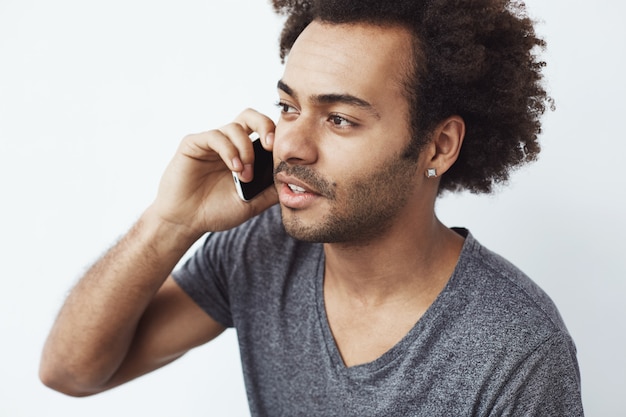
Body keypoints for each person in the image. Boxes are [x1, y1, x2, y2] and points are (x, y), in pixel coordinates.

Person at [40, 0, 584, 415]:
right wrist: (171, 223)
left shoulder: (518, 351)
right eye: (288, 106)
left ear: (438, 146)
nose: (292, 145)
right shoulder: (260, 247)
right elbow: (71, 372)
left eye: (340, 118)